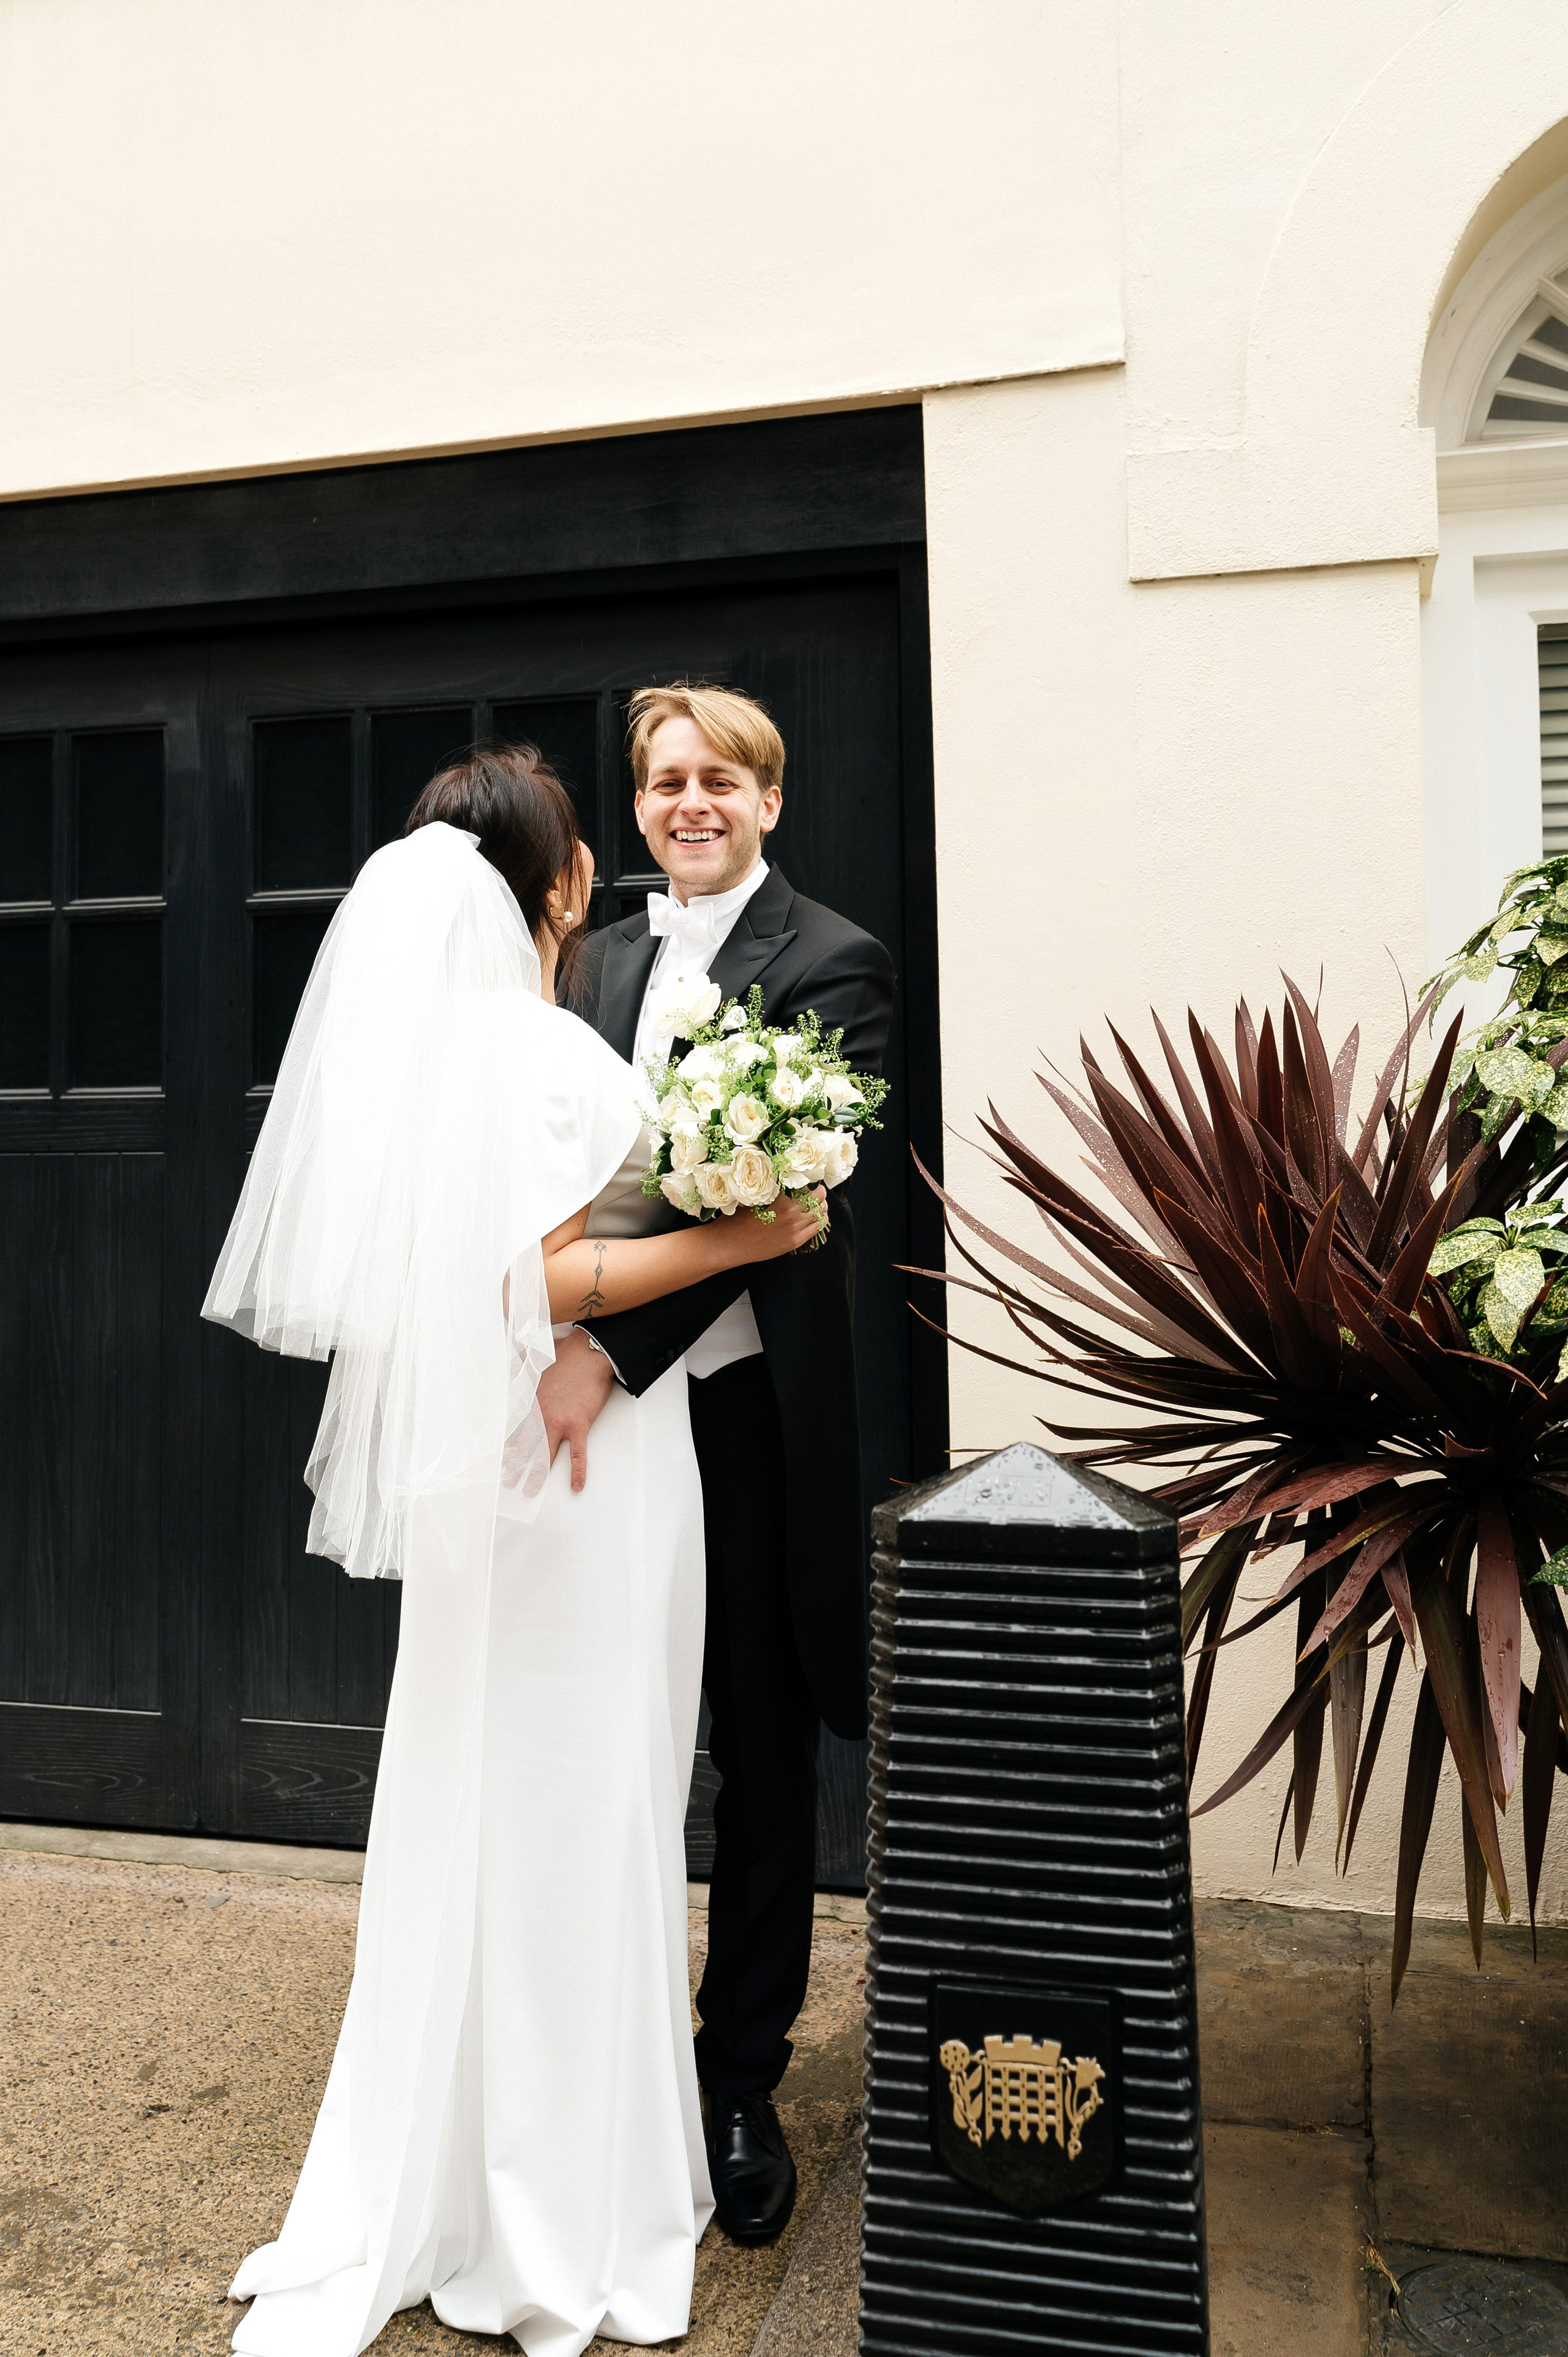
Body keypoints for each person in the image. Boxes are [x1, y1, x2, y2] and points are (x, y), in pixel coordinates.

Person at [205, 745, 823, 2357]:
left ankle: (468, 2165)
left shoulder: (432, 1056)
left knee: (486, 1791)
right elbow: (549, 1279)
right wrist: (761, 1225)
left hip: (507, 1482)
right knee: (589, 1801)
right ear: (558, 885)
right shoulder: (542, 1057)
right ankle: (568, 2194)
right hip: (595, 1478)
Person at [557, 684, 896, 2246]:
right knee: (607, 1733)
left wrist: (599, 1343)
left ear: (769, 796)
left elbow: (775, 1213)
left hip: (742, 1421)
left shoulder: (832, 962)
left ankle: (736, 2077)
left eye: (716, 779)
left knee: (760, 1759)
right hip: (606, 1427)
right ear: (636, 808)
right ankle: (598, 2060)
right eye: (660, 782)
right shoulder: (596, 963)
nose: (686, 802)